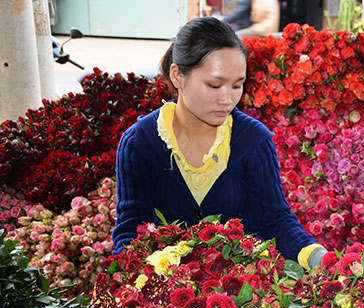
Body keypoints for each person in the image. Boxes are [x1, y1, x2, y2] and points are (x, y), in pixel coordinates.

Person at [112, 17, 326, 269]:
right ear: (177, 75)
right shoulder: (140, 143)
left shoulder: (253, 142)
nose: (228, 99)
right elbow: (131, 230)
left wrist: (316, 256)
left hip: (241, 293)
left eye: (237, 85)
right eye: (215, 85)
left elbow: (275, 221)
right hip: (165, 296)